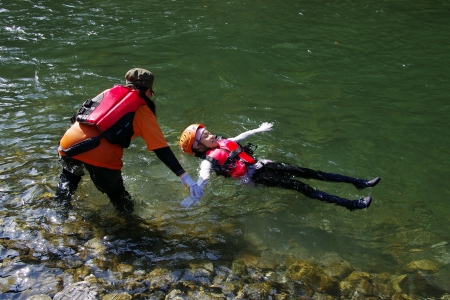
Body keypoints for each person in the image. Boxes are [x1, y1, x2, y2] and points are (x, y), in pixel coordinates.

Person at [55, 68, 202, 214]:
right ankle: (129, 232)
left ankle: (57, 216)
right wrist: (185, 177)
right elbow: (161, 149)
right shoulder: (142, 110)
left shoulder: (107, 93)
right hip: (102, 155)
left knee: (69, 179)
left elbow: (76, 117)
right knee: (121, 200)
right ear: (148, 90)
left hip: (68, 145)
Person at [178, 122, 380, 210]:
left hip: (262, 165)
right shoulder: (208, 161)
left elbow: (241, 137)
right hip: (256, 177)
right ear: (197, 146)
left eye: (208, 132)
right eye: (205, 136)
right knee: (302, 187)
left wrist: (259, 129)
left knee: (312, 173)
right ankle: (353, 205)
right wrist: (195, 193)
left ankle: (359, 183)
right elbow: (203, 178)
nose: (211, 135)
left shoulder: (223, 141)